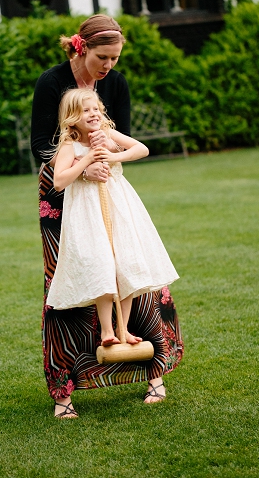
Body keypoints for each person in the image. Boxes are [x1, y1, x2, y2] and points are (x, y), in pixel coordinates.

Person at [31, 14, 183, 418]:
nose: (109, 66)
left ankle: (154, 372)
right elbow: (42, 144)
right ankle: (65, 393)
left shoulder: (115, 84)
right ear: (83, 48)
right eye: (103, 57)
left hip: (109, 189)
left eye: (115, 58)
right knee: (73, 281)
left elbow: (125, 139)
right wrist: (83, 167)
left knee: (132, 269)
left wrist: (108, 162)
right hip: (63, 197)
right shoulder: (52, 83)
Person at [46, 88, 179, 352]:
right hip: (88, 213)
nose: (93, 113)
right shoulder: (69, 146)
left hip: (119, 207)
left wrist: (113, 154)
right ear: (72, 117)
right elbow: (59, 181)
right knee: (102, 265)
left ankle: (124, 329)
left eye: (96, 108)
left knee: (126, 264)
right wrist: (85, 162)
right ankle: (107, 330)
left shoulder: (107, 136)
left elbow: (141, 149)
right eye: (86, 110)